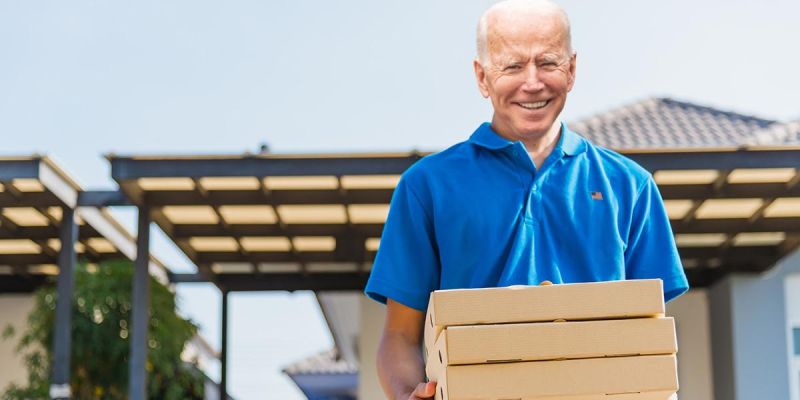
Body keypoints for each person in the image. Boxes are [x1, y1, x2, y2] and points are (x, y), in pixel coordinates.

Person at [364, 1, 689, 399]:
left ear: (571, 70)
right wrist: (404, 394)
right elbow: (399, 335)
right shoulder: (426, 186)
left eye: (547, 63)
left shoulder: (630, 186)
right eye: (512, 66)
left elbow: (651, 331)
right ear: (482, 77)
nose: (532, 82)